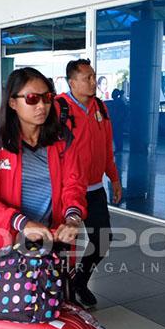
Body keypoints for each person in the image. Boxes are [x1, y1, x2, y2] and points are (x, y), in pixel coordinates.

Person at [0, 67, 86, 254]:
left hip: (53, 240)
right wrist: (21, 223)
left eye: (47, 98)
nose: (42, 106)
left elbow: (74, 184)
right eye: (32, 99)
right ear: (13, 103)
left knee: (56, 283)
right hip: (9, 242)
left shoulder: (61, 138)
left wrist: (72, 219)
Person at [56, 59, 122, 308]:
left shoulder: (101, 109)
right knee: (64, 246)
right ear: (72, 82)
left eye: (94, 76)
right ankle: (62, 293)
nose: (93, 82)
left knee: (102, 239)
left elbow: (107, 149)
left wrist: (114, 178)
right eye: (87, 78)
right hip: (65, 191)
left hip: (94, 189)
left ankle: (79, 282)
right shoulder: (58, 108)